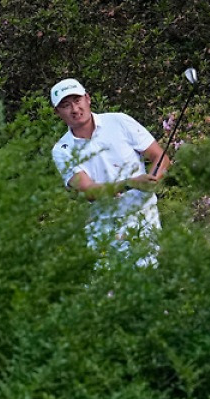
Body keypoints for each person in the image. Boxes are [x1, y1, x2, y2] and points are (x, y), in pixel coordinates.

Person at [49, 78, 168, 266]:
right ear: (57, 112)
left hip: (142, 216)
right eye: (65, 105)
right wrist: (130, 183)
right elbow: (89, 192)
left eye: (77, 100)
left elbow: (159, 157)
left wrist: (153, 179)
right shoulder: (61, 150)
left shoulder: (119, 121)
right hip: (101, 224)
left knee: (146, 278)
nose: (74, 109)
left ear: (88, 99)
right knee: (107, 288)